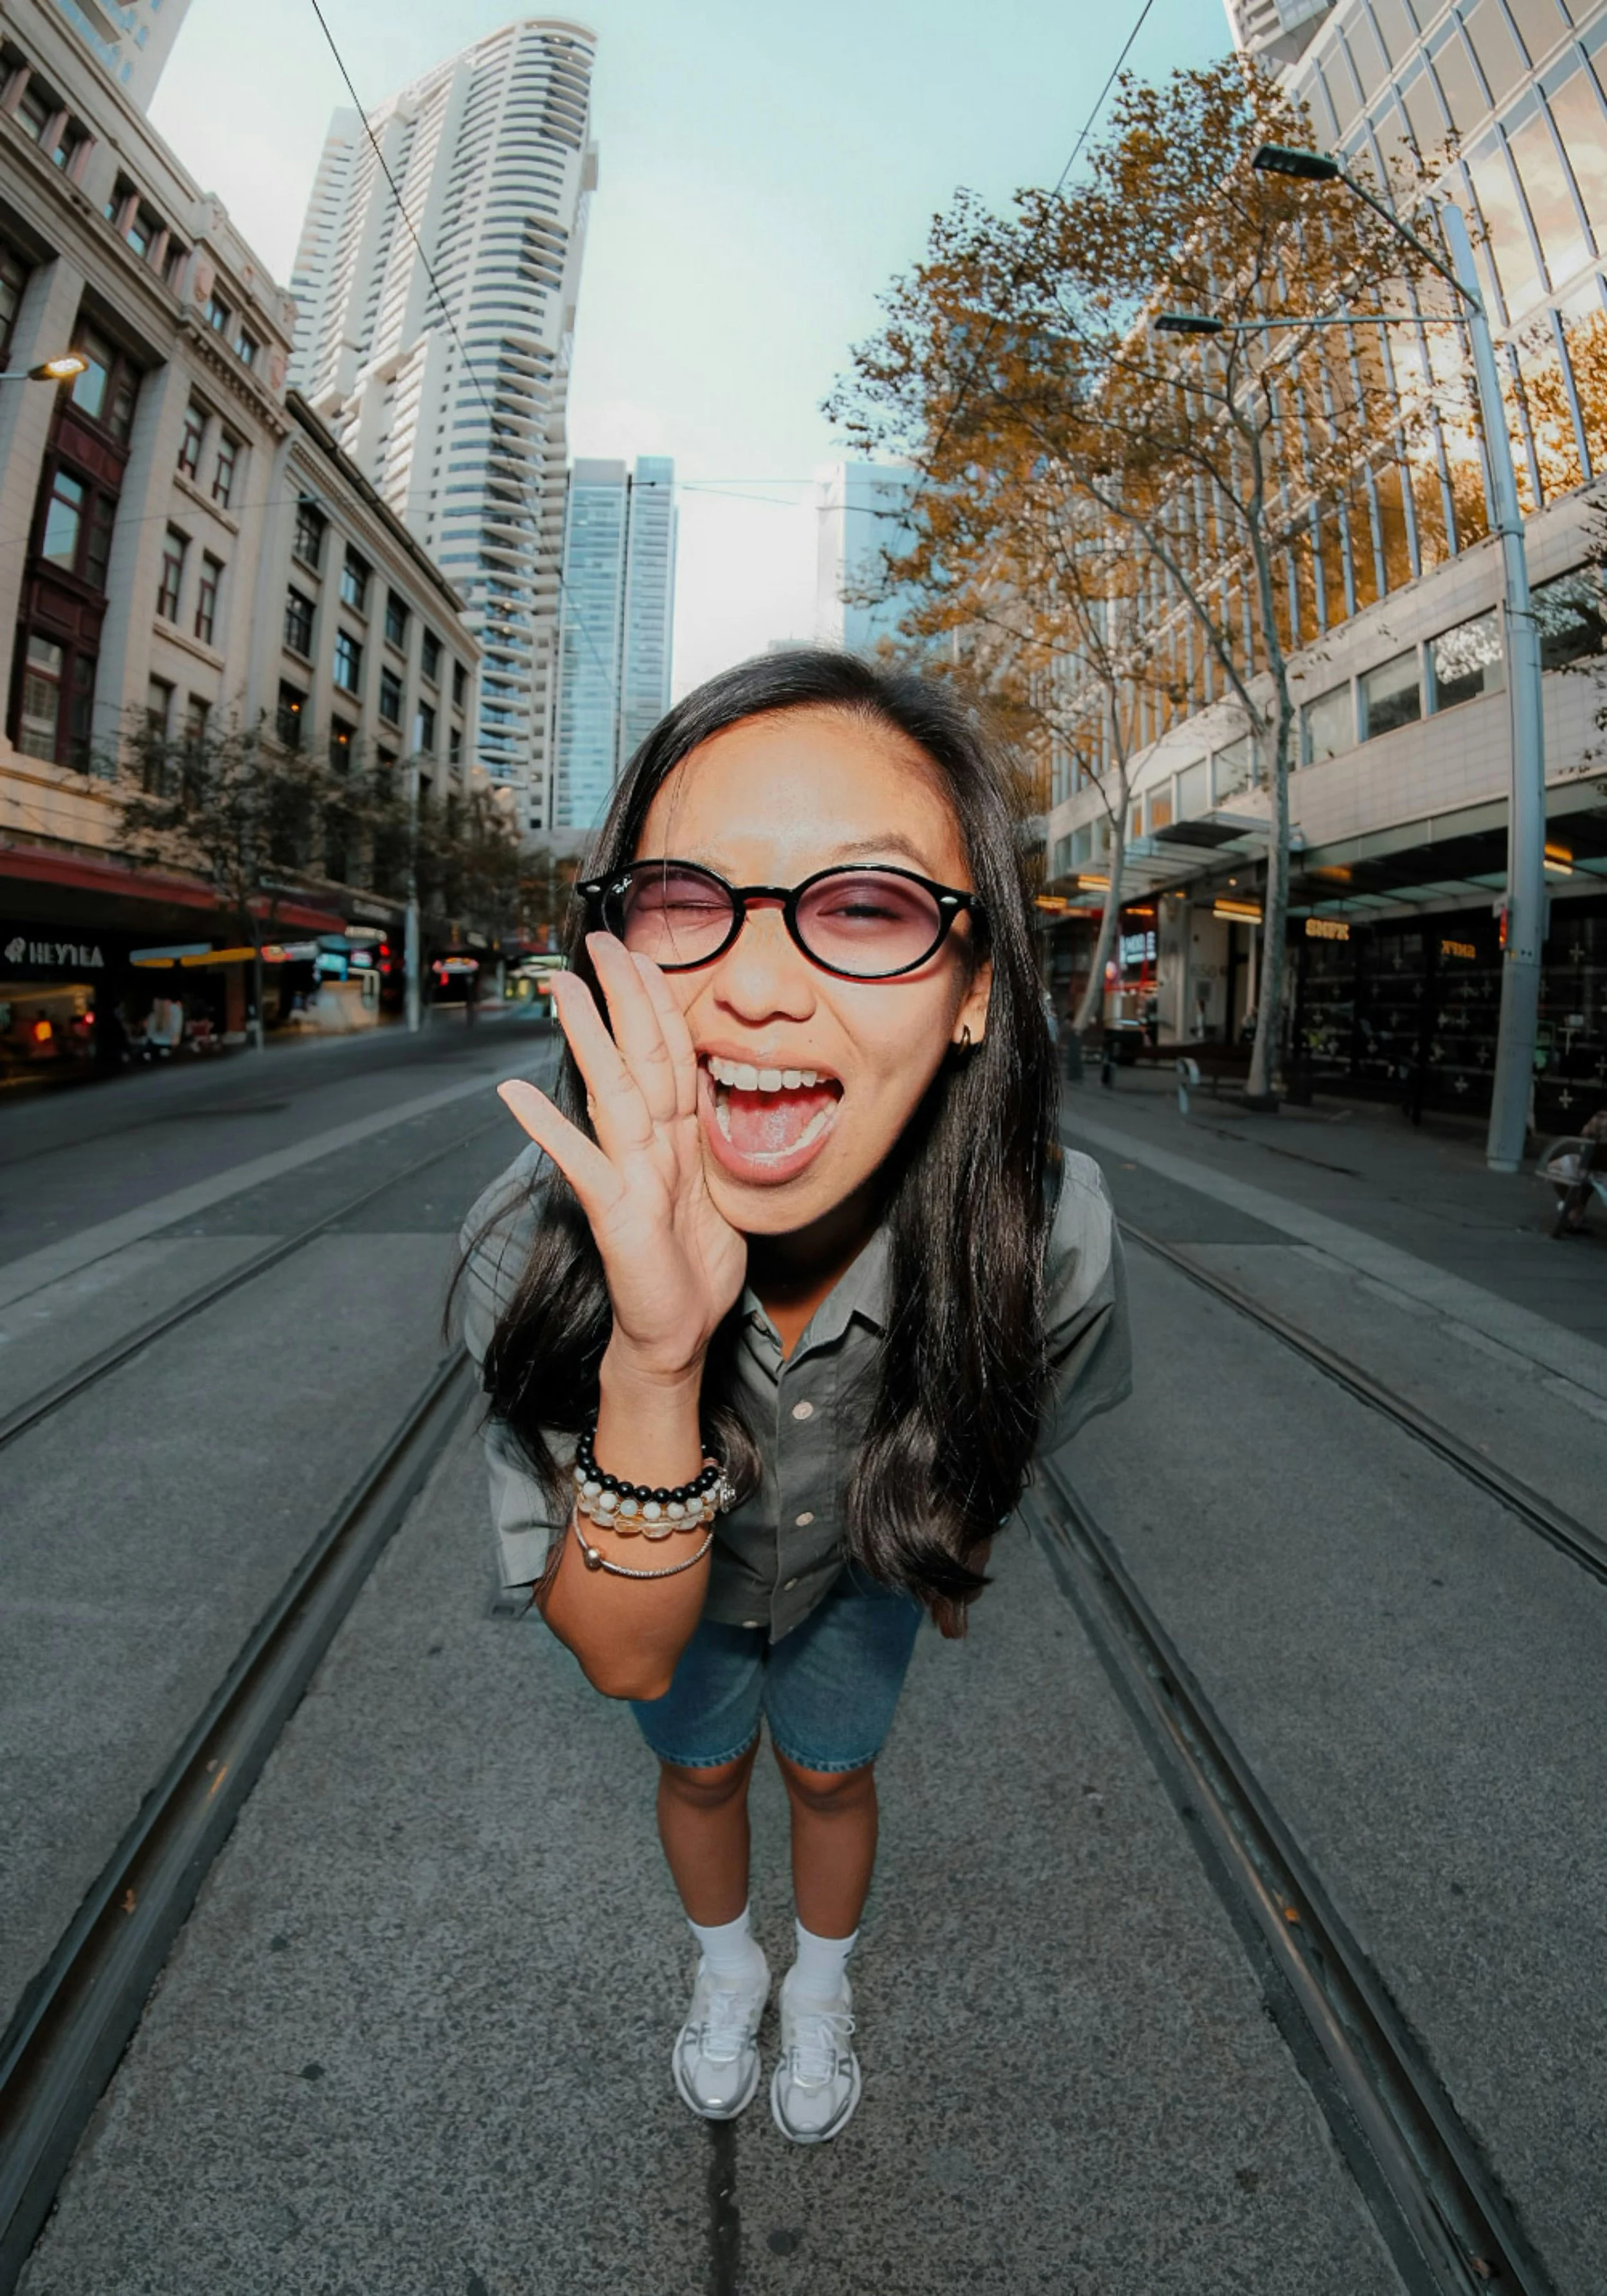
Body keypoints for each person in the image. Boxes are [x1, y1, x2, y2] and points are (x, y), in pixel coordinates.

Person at [458, 650, 1129, 2147]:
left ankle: (819, 1989)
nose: (755, 985)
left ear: (969, 995)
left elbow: (1021, 1424)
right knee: (697, 1765)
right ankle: (727, 1972)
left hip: (859, 1580)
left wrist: (951, 1534)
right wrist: (653, 1350)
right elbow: (622, 1659)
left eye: (868, 907)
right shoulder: (529, 1242)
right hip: (680, 1606)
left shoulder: (1051, 1231)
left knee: (832, 1775)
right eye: (686, 901)